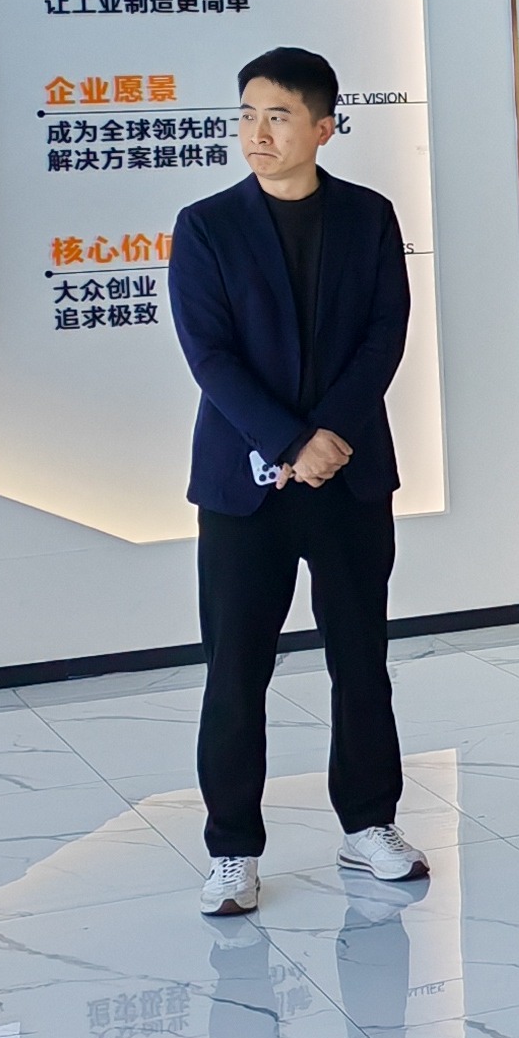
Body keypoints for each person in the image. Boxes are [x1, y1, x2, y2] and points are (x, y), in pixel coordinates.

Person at [170, 46, 422, 917]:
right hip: (245, 488)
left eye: (276, 115)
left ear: (323, 127)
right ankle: (232, 848)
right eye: (246, 114)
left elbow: (385, 332)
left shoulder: (369, 216)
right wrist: (288, 442)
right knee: (235, 670)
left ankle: (368, 823)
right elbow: (209, 354)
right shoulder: (206, 225)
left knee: (361, 657)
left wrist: (330, 436)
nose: (256, 132)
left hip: (349, 476)